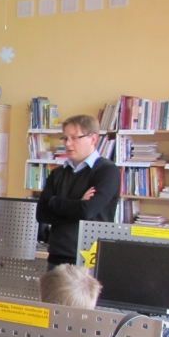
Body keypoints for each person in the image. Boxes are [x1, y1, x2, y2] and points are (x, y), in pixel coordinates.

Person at [35, 115, 120, 269]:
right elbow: (42, 214)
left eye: (74, 138)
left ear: (93, 139)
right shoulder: (57, 173)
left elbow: (87, 211)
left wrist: (54, 202)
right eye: (65, 138)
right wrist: (78, 204)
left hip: (90, 259)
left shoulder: (106, 171)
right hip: (56, 257)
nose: (68, 144)